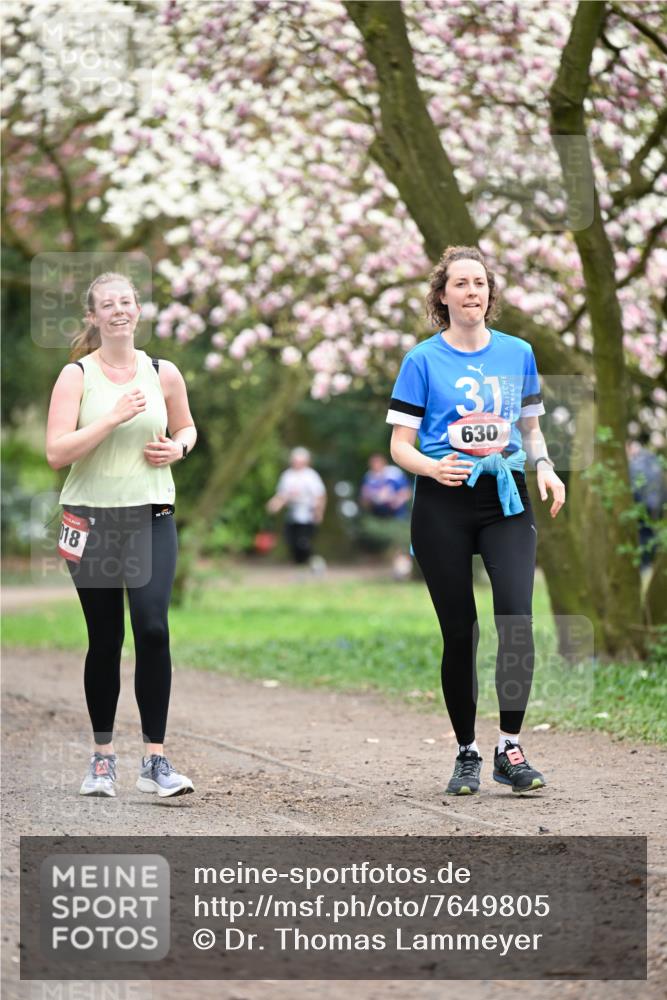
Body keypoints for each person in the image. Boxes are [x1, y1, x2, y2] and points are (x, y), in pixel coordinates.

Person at [387, 246, 565, 796]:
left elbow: (531, 429)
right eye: (460, 283)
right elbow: (399, 446)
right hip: (443, 502)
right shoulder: (422, 360)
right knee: (460, 631)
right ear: (442, 296)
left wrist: (546, 468)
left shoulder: (518, 353)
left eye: (480, 283)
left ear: (490, 293)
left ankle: (509, 747)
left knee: (516, 620)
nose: (472, 292)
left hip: (504, 497)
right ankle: (466, 752)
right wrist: (431, 468)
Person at [46, 272, 197, 798]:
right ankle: (103, 759)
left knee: (153, 628)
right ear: (93, 317)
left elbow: (187, 427)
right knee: (106, 639)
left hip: (150, 515)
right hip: (89, 519)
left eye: (126, 301)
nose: (118, 311)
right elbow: (56, 453)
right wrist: (112, 417)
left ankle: (155, 761)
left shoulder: (163, 371)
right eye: (106, 305)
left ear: (138, 310)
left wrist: (179, 449)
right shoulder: (76, 376)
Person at [266, 447, 327, 566]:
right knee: (291, 541)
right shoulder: (287, 476)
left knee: (303, 542)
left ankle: (312, 562)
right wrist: (274, 504)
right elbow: (282, 495)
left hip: (307, 515)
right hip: (292, 514)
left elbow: (320, 495)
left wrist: (319, 512)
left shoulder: (311, 476)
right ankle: (300, 566)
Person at [627, 434, 665, 571]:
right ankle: (649, 564)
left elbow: (635, 487)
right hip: (657, 505)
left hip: (642, 505)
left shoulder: (637, 463)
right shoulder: (653, 461)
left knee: (644, 534)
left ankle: (645, 565)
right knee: (651, 533)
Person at [360, 453, 412, 519]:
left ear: (384, 462)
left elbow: (407, 491)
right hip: (376, 512)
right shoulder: (368, 477)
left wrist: (397, 500)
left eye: (377, 462)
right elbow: (364, 498)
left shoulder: (394, 473)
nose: (376, 465)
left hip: (397, 512)